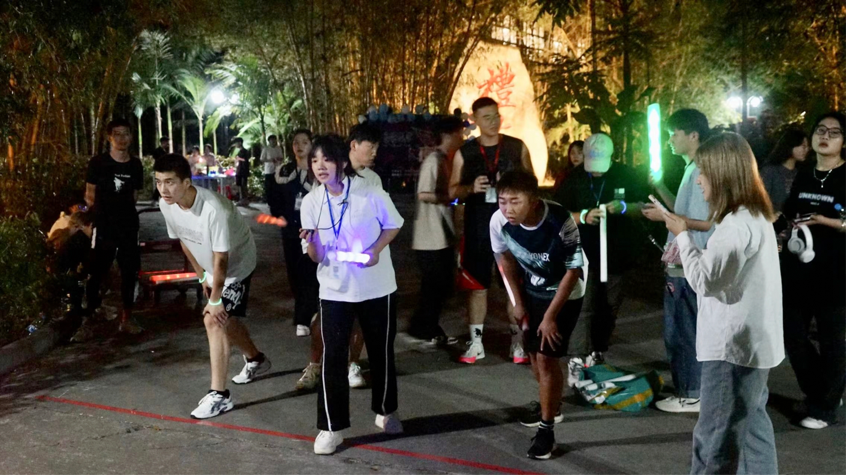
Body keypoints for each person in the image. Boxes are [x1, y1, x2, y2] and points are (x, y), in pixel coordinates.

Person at [663, 133, 782, 474]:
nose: (698, 179)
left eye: (703, 171)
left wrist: (683, 237)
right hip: (755, 344)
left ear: (722, 174)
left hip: (732, 348)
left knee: (714, 441)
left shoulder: (734, 226)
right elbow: (726, 269)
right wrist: (696, 249)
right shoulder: (754, 215)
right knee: (752, 432)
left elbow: (704, 282)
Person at [299, 134, 404, 455]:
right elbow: (316, 256)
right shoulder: (311, 202)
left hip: (377, 286)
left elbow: (394, 224)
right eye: (314, 160)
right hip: (334, 289)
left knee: (380, 351)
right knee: (333, 356)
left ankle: (385, 410)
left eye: (327, 159)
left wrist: (375, 250)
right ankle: (331, 427)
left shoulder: (369, 191)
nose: (320, 166)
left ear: (342, 162)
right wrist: (312, 241)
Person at [154, 154, 271, 419]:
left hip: (238, 268)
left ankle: (219, 395)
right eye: (159, 182)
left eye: (170, 182)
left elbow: (222, 258)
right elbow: (184, 240)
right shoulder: (166, 205)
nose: (163, 189)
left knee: (213, 318)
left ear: (186, 182)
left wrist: (215, 298)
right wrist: (201, 277)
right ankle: (255, 359)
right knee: (225, 319)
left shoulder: (213, 209)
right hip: (212, 268)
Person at [491, 170, 586, 460]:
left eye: (515, 202)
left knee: (546, 358)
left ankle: (547, 431)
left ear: (533, 201)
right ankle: (552, 405)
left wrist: (550, 317)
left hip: (565, 292)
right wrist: (516, 301)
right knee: (534, 356)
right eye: (502, 201)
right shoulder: (499, 222)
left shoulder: (561, 221)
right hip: (533, 289)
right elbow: (504, 259)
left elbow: (573, 271)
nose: (507, 209)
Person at [449, 97, 534, 365]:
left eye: (496, 115)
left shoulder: (516, 147)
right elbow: (451, 191)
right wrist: (470, 189)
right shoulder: (466, 153)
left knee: (513, 287)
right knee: (477, 288)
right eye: (486, 117)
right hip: (478, 229)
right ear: (475, 120)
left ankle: (517, 343)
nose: (493, 121)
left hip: (513, 230)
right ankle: (476, 343)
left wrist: (513, 187)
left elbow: (532, 184)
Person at [642, 109, 715, 413]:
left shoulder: (701, 170)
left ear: (693, 135)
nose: (670, 140)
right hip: (685, 259)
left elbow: (703, 222)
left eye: (674, 134)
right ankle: (692, 390)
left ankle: (691, 394)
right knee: (683, 329)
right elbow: (684, 212)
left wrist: (665, 218)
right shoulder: (692, 168)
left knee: (683, 331)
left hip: (689, 261)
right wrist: (660, 190)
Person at [554, 133, 647, 363]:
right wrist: (584, 216)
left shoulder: (627, 174)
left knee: (609, 305)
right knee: (583, 306)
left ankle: (598, 349)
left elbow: (644, 207)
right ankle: (577, 355)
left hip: (616, 252)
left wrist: (623, 207)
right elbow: (557, 215)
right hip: (583, 253)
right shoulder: (574, 178)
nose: (596, 171)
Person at [780, 112, 846, 430]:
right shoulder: (805, 174)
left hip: (835, 269)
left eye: (834, 132)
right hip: (798, 267)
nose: (825, 136)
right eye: (820, 130)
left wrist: (826, 221)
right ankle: (823, 389)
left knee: (833, 339)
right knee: (791, 333)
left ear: (844, 141)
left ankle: (823, 408)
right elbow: (791, 210)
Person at [80, 118, 144, 340]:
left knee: (129, 272)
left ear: (131, 137)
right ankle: (88, 319)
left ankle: (127, 319)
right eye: (117, 134)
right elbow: (89, 195)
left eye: (125, 133)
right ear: (109, 137)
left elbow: (134, 195)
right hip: (104, 225)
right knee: (96, 271)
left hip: (128, 226)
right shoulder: (98, 163)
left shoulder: (135, 165)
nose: (121, 138)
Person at [404, 116, 463, 349]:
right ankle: (422, 329)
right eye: (459, 133)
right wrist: (449, 197)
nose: (462, 137)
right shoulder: (433, 160)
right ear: (448, 135)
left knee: (440, 286)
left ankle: (427, 328)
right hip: (429, 237)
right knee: (434, 286)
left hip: (441, 235)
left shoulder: (445, 159)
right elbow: (423, 193)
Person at [760, 128, 809, 213]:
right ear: (791, 145)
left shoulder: (802, 173)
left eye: (808, 146)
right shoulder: (770, 171)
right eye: (803, 146)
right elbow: (761, 200)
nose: (807, 149)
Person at [347, 123, 383, 189]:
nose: (374, 153)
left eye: (376, 148)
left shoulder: (373, 179)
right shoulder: (336, 173)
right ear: (354, 145)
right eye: (371, 147)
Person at [260, 134, 284, 209]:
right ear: (269, 141)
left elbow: (282, 157)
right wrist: (270, 160)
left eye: (274, 140)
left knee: (276, 187)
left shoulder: (278, 148)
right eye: (272, 140)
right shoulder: (266, 149)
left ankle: (277, 202)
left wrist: (278, 159)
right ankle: (269, 202)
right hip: (268, 170)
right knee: (269, 187)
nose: (273, 142)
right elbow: (262, 159)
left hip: (277, 170)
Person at [232, 137, 251, 203]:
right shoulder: (239, 151)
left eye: (236, 143)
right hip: (239, 170)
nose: (235, 144)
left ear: (240, 143)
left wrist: (238, 158)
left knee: (243, 185)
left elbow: (245, 160)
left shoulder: (245, 151)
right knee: (239, 185)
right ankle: (241, 199)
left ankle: (245, 199)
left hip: (244, 170)